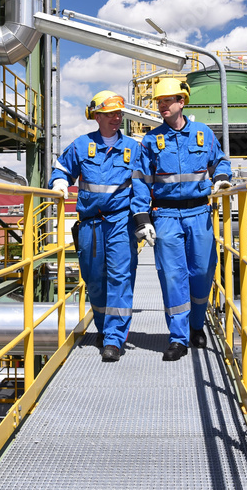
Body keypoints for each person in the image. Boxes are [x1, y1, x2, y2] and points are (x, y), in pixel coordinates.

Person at [134, 78, 232, 361]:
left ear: (182, 102)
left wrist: (221, 177)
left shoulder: (203, 134)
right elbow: (140, 180)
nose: (162, 106)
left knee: (202, 271)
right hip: (165, 215)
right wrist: (142, 218)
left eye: (168, 100)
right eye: (159, 102)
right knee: (173, 275)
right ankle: (178, 338)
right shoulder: (151, 140)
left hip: (199, 213)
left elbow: (220, 161)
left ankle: (196, 325)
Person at [49, 90, 147, 363]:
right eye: (110, 114)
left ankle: (115, 338)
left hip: (120, 222)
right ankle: (104, 328)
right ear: (97, 116)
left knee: (120, 277)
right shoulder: (82, 145)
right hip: (91, 225)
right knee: (94, 279)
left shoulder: (133, 149)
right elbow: (61, 169)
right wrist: (59, 182)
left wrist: (141, 218)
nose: (116, 118)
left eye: (119, 114)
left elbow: (141, 185)